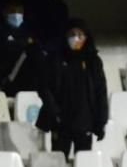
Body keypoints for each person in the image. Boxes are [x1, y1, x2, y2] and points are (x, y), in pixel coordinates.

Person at [37, 19, 108, 158]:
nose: (76, 38)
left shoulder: (93, 61)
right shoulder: (54, 58)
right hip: (61, 120)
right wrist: (55, 112)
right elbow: (43, 87)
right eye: (72, 34)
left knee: (84, 163)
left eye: (80, 34)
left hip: (84, 121)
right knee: (58, 162)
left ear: (86, 37)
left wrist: (101, 122)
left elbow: (101, 92)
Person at [0, 0, 46, 97]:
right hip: (7, 79)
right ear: (4, 13)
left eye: (20, 12)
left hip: (28, 78)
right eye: (13, 11)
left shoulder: (28, 32)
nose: (17, 15)